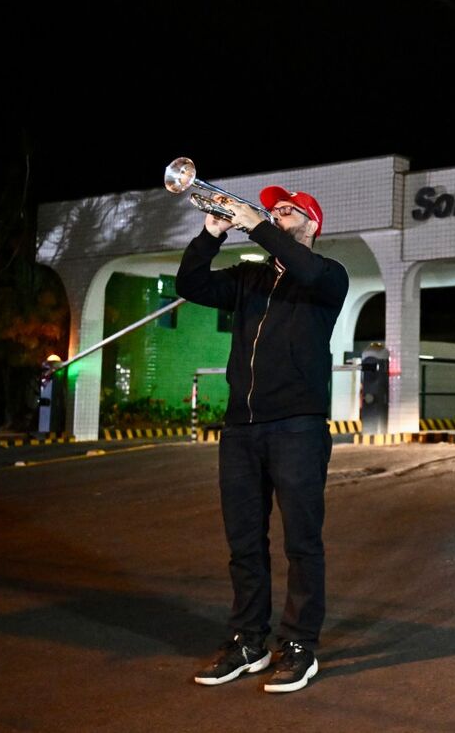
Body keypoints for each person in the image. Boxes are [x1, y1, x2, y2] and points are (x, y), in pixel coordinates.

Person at [176, 184, 348, 694]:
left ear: (312, 225)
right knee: (244, 543)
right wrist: (211, 233)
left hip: (298, 424)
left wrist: (257, 224)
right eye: (274, 208)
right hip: (241, 428)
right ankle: (248, 640)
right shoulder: (248, 278)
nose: (279, 210)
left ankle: (298, 646)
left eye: (291, 209)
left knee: (302, 541)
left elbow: (306, 268)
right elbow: (190, 283)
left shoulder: (327, 276)